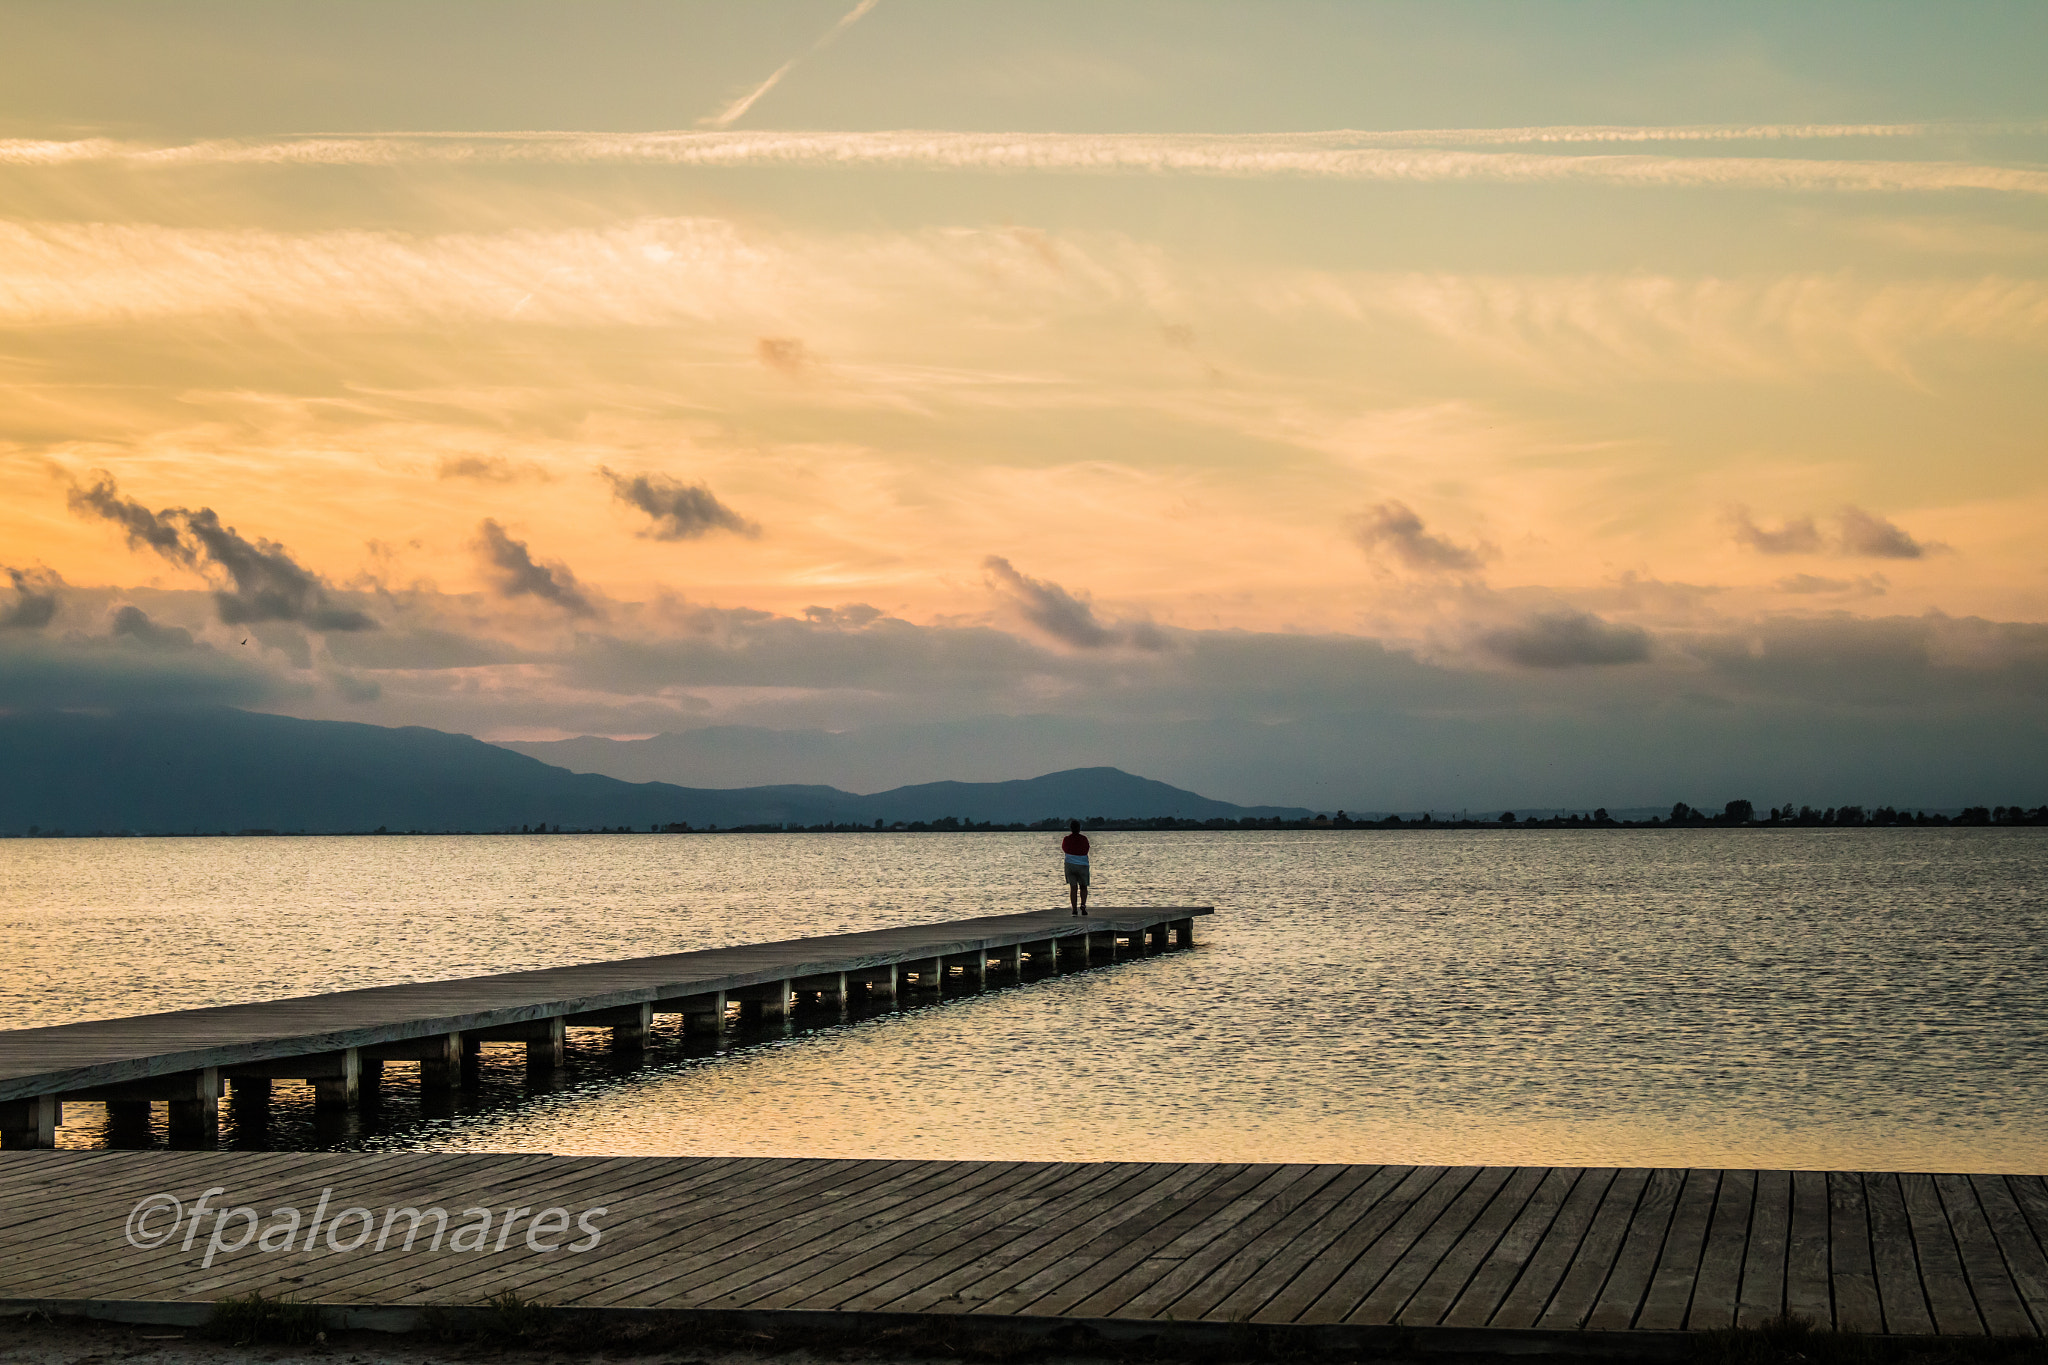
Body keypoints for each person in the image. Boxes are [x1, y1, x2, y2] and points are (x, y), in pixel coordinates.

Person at [1061, 819, 1091, 914]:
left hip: (1070, 865)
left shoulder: (1066, 839)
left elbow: (1064, 849)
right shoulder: (1083, 839)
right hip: (1082, 865)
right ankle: (1083, 905)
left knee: (1073, 887)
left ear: (1071, 829)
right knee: (1083, 886)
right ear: (1079, 829)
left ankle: (1074, 909)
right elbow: (1086, 849)